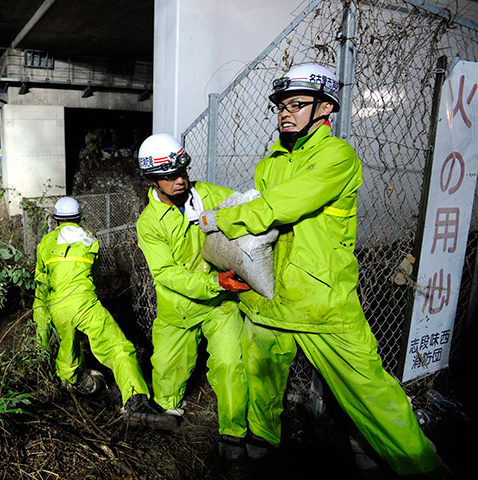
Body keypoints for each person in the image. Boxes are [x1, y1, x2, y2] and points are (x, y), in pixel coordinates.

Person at [197, 63, 446, 476]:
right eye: (281, 105)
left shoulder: (336, 156)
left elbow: (283, 205)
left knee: (368, 388)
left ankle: (421, 465)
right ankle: (263, 443)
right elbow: (264, 224)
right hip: (272, 296)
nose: (285, 113)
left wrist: (220, 220)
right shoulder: (271, 161)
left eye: (296, 104)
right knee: (263, 373)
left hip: (321, 300)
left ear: (325, 108)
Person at [135, 133, 250, 458]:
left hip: (220, 304)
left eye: (182, 171)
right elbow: (167, 274)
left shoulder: (209, 195)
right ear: (152, 179)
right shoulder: (150, 223)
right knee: (169, 368)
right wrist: (217, 282)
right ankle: (167, 408)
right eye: (169, 176)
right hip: (180, 308)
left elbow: (246, 210)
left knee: (230, 362)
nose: (180, 180)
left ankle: (232, 432)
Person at [33, 197, 176, 429]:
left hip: (57, 305)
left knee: (67, 348)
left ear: (56, 220)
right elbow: (95, 272)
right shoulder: (90, 240)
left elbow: (41, 285)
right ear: (79, 218)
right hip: (85, 303)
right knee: (119, 347)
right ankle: (135, 400)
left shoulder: (46, 243)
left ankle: (70, 383)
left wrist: (41, 335)